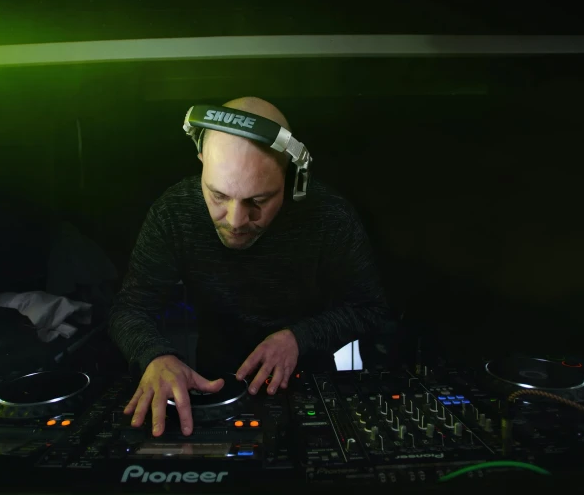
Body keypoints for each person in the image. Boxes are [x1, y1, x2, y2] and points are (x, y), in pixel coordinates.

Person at [108, 96, 392, 438]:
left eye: (258, 201)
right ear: (201, 160)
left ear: (292, 176)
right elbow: (130, 308)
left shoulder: (331, 218)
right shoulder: (173, 213)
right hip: (214, 385)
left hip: (312, 386)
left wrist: (298, 338)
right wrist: (154, 356)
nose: (236, 221)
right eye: (218, 196)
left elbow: (371, 308)